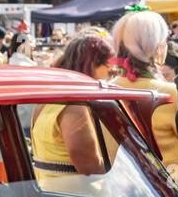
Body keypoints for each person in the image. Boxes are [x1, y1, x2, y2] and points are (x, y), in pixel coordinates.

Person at [111, 8, 178, 189]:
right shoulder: (169, 92)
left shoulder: (108, 88)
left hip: (122, 185)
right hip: (172, 188)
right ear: (157, 47)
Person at [30, 31, 115, 185]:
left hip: (51, 195)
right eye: (108, 66)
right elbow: (90, 167)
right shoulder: (74, 106)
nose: (111, 73)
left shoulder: (47, 100)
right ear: (93, 64)